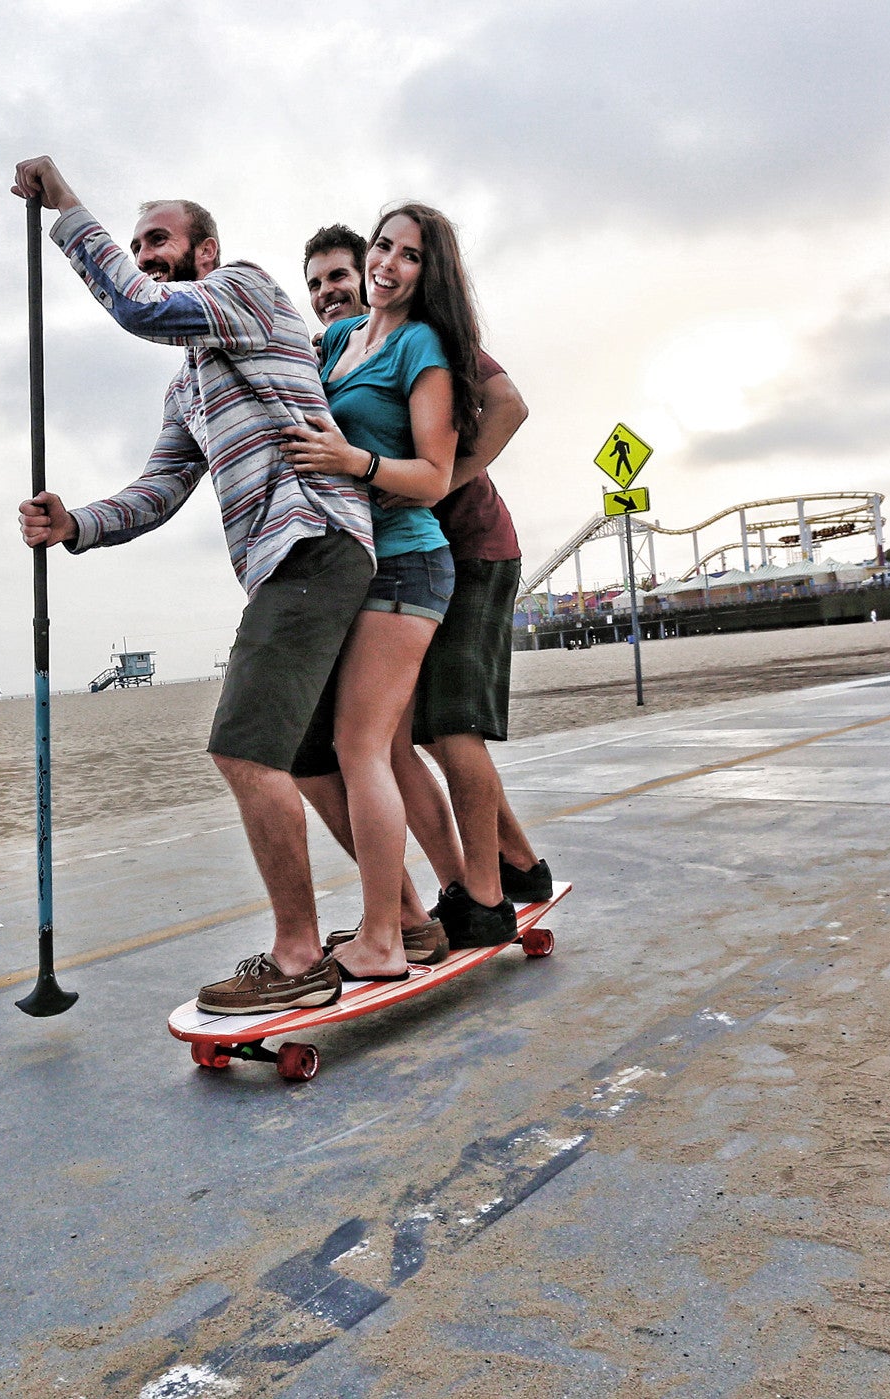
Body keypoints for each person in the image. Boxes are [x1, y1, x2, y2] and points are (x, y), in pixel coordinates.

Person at [10, 157, 379, 1015]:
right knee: (306, 756)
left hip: (313, 536)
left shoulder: (246, 290)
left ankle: (298, 957)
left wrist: (66, 206)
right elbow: (161, 489)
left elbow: (139, 307)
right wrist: (75, 524)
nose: (144, 255)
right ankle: (403, 918)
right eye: (136, 244)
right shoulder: (188, 384)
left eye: (158, 240)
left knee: (243, 746)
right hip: (287, 561)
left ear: (205, 251)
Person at [294, 214, 552, 961]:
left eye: (338, 276)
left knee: (450, 728)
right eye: (316, 284)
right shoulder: (341, 344)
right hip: (388, 557)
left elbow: (509, 406)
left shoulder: (426, 337)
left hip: (469, 547)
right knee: (407, 737)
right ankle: (517, 865)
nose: (330, 291)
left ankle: (486, 897)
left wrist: (442, 482)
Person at [276, 203, 477, 981]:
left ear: (430, 272)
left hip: (407, 563)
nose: (388, 264)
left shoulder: (421, 345)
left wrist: (354, 462)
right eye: (384, 246)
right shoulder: (340, 340)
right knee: (344, 749)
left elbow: (433, 475)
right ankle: (402, 923)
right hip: (352, 567)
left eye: (409, 255)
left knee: (361, 748)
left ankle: (385, 939)